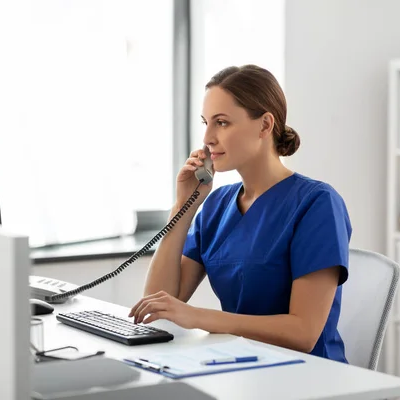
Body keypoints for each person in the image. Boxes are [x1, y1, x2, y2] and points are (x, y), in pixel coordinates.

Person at [128, 64, 352, 363]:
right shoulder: (217, 204)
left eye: (221, 123)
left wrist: (198, 317)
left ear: (264, 125)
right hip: (239, 367)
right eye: (205, 122)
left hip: (308, 377)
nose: (208, 137)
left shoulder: (317, 203)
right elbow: (159, 303)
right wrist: (183, 207)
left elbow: (303, 332)